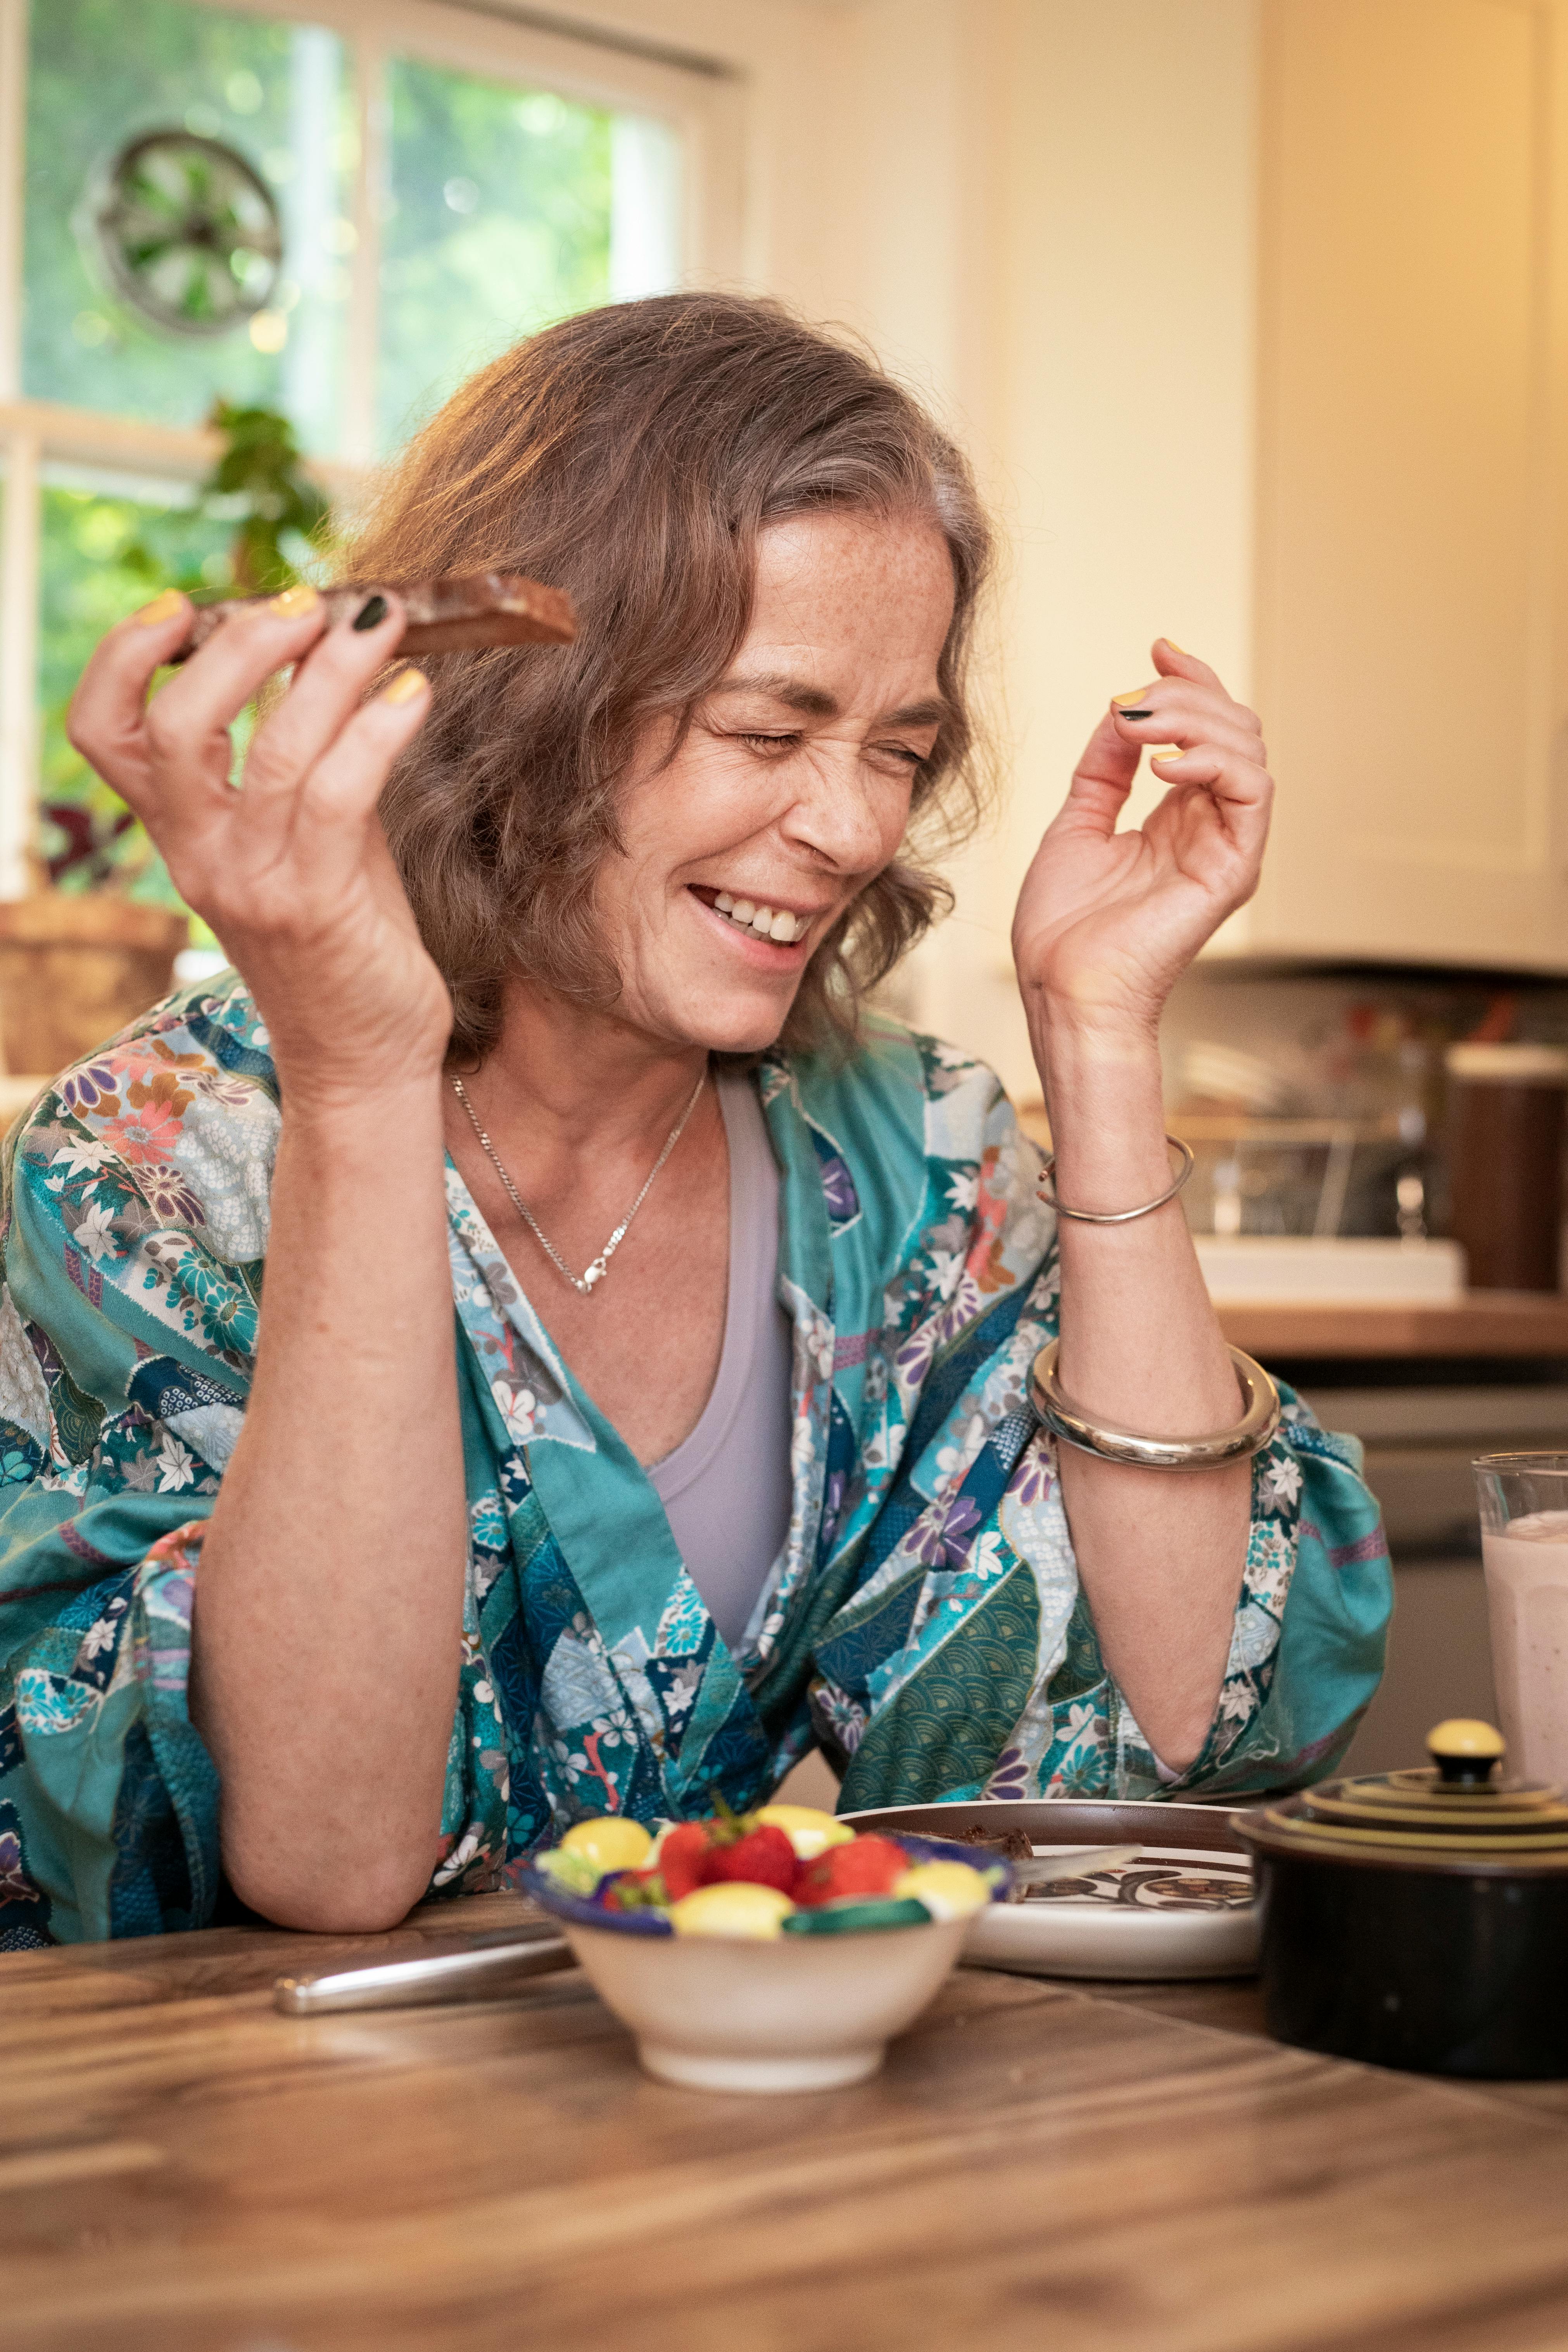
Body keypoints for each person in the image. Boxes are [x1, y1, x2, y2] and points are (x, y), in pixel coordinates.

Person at [0, 295, 1388, 1945]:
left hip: (720, 2123)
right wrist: (367, 1077)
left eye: (901, 745)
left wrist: (1097, 1039)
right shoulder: (156, 1164)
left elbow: (1183, 1752)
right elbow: (321, 1854)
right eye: (768, 728)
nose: (854, 823)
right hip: (220, 2143)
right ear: (529, 710)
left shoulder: (912, 1165)